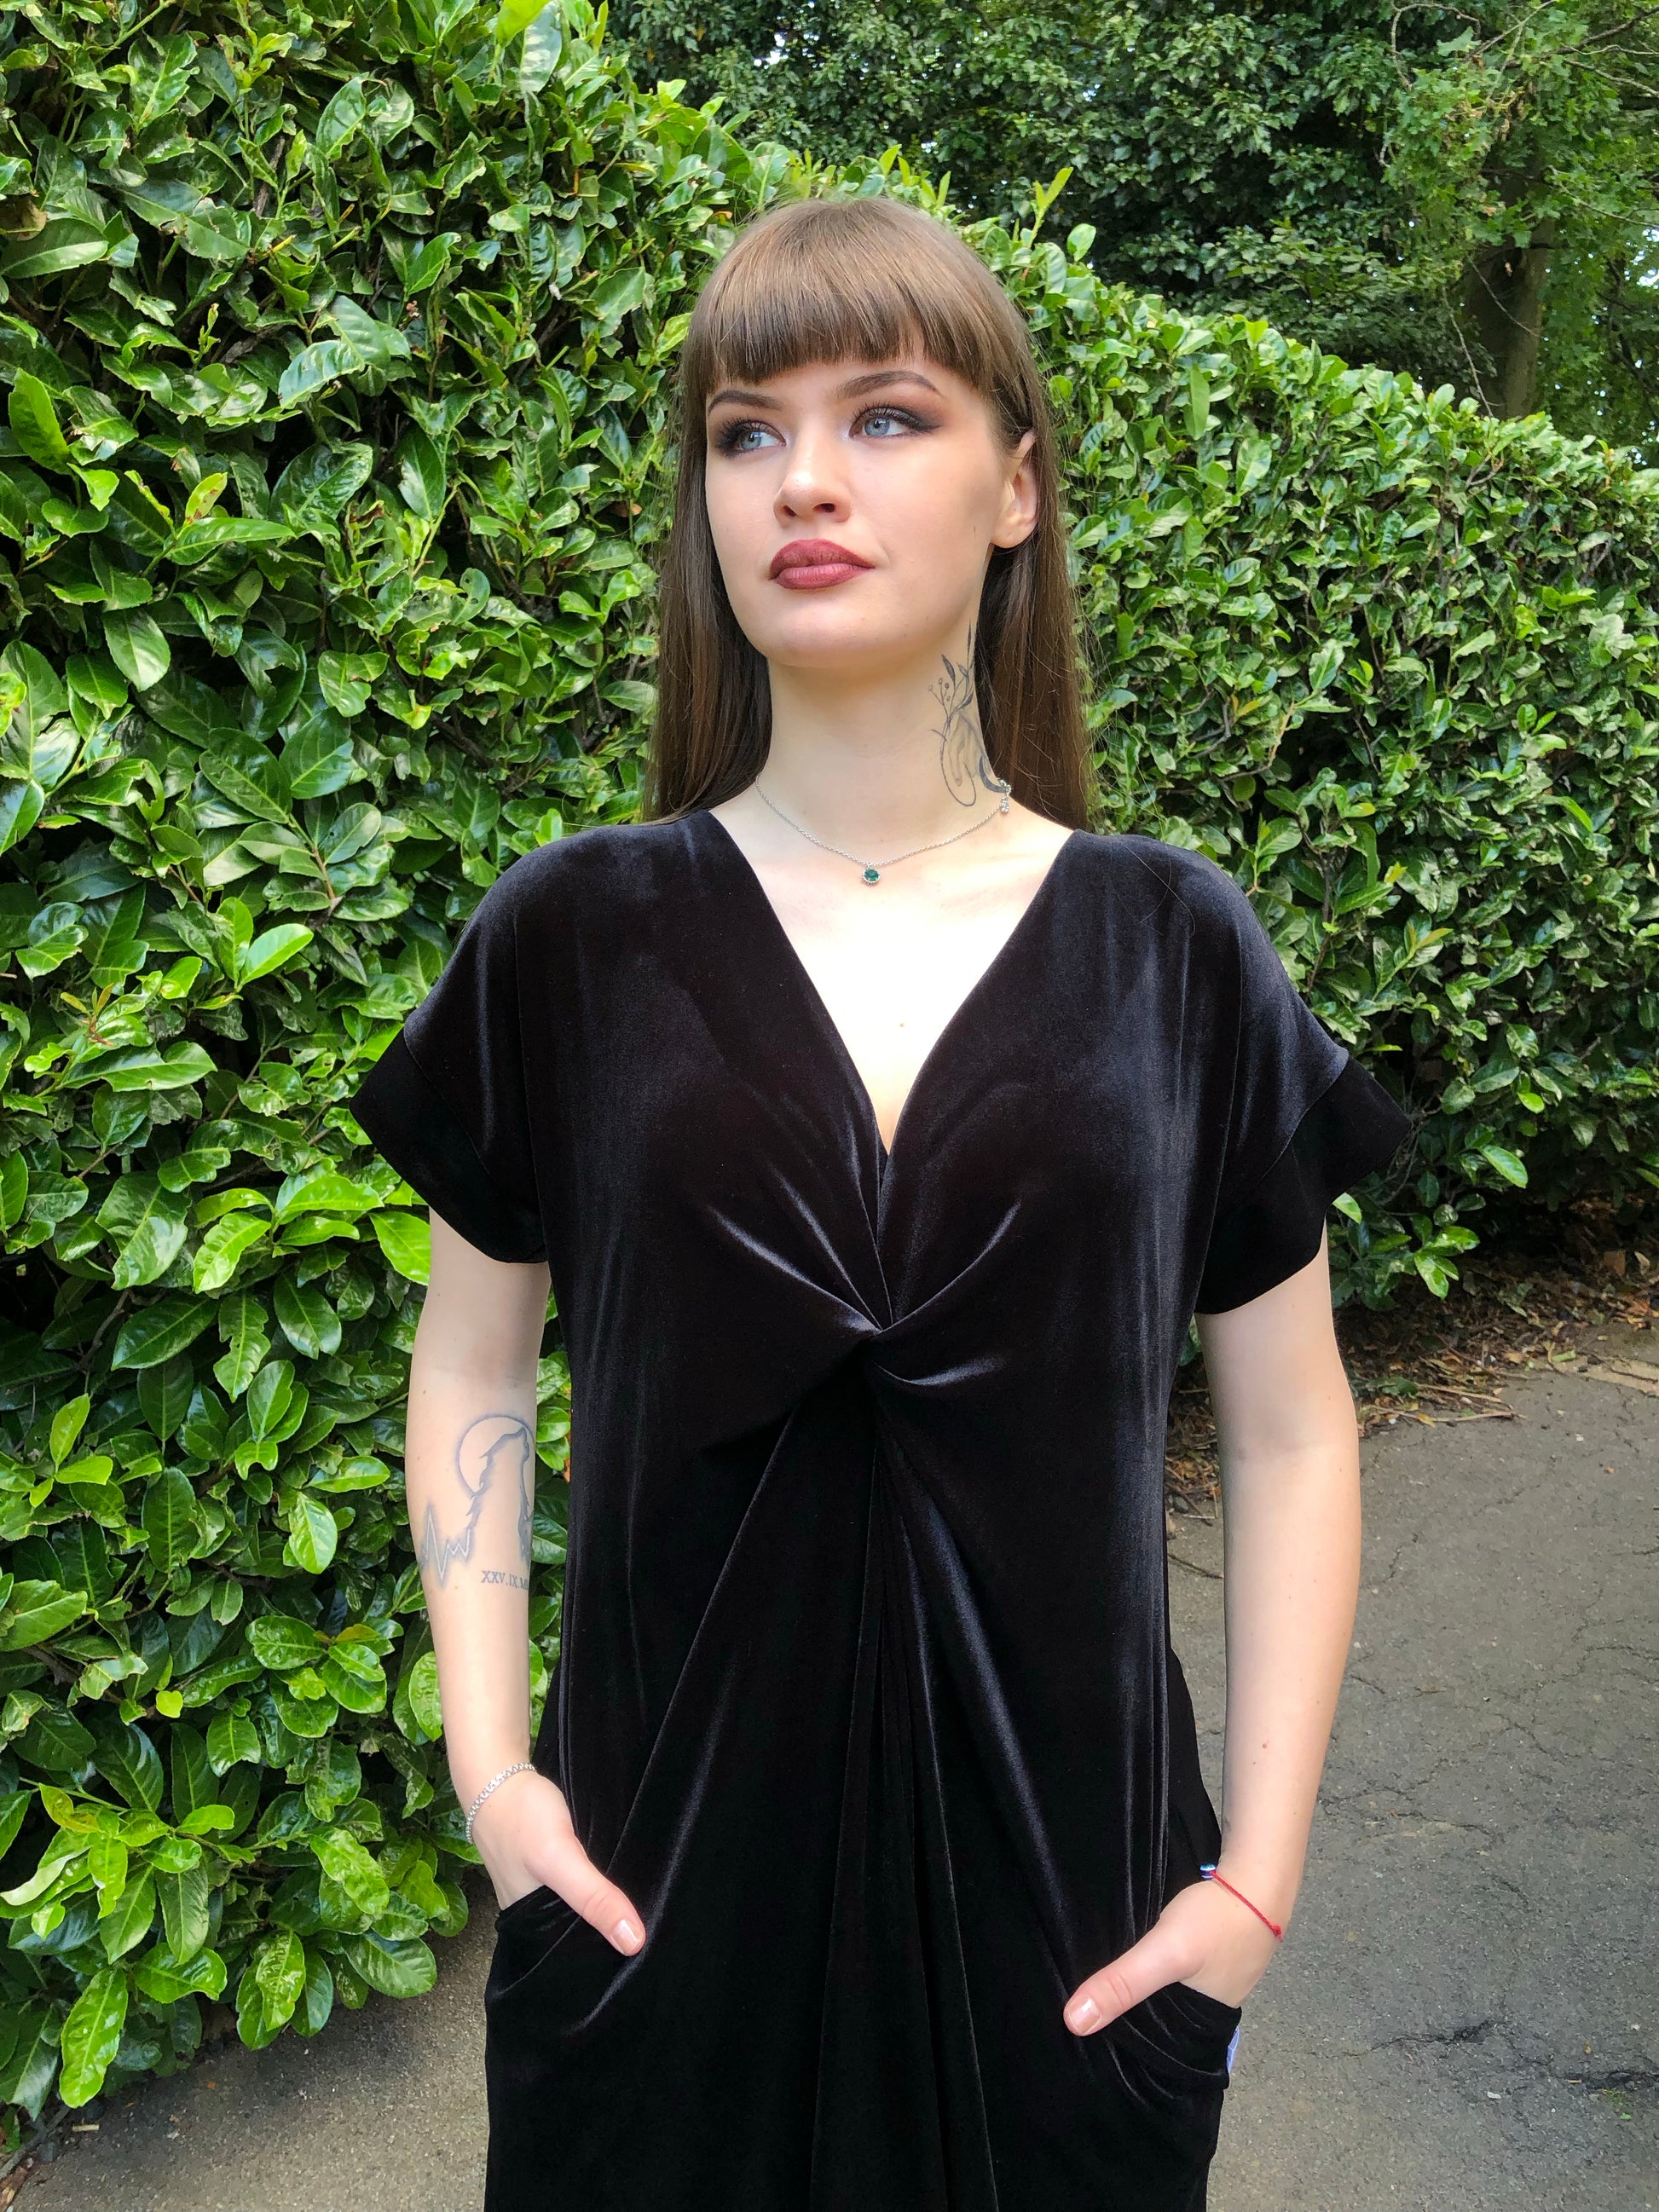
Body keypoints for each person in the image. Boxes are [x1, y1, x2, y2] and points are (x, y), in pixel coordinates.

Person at [350, 193, 1410, 2212]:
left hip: (1073, 1941)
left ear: (1017, 486)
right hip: (651, 1902)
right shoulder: (573, 934)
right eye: (742, 431)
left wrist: (1255, 1878)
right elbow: (470, 1357)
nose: (803, 479)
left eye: (885, 415)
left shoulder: (1174, 948)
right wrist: (500, 1786)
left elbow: (1290, 1423)